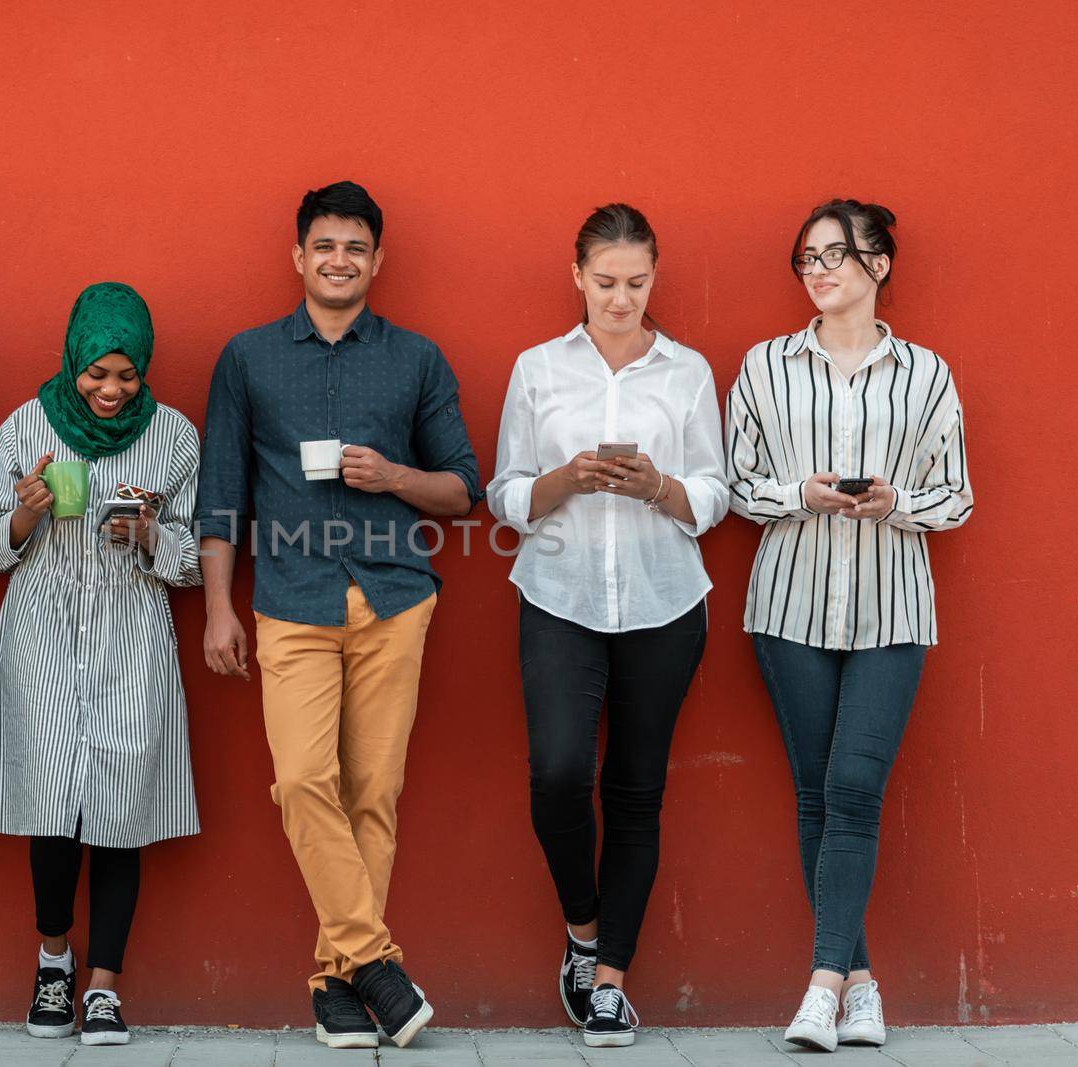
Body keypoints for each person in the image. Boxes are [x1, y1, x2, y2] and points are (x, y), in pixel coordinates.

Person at [195, 181, 481, 1049]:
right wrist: (217, 608)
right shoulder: (246, 358)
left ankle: (336, 984)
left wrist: (392, 476)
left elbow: (464, 489)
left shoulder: (417, 359)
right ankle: (377, 962)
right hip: (290, 598)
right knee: (304, 779)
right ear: (299, 256)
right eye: (325, 245)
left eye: (356, 247)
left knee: (375, 793)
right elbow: (220, 497)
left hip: (396, 595)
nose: (339, 260)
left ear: (376, 261)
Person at [725, 199, 973, 1052]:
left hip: (893, 607)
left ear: (880, 265)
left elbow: (958, 496)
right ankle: (861, 984)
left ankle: (821, 985)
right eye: (806, 258)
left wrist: (896, 501)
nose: (818, 270)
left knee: (855, 787)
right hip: (790, 604)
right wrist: (803, 494)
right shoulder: (764, 366)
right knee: (817, 791)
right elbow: (736, 483)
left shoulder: (928, 374)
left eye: (836, 254)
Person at [486, 203, 728, 1047]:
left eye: (636, 282)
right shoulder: (538, 369)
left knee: (635, 788)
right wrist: (567, 480)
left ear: (654, 277)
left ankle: (611, 981)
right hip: (560, 594)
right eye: (605, 282)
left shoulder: (688, 372)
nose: (620, 298)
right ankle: (582, 931)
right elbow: (505, 495)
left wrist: (657, 485)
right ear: (577, 277)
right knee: (557, 774)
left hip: (665, 601)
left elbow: (713, 495)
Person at [0, 281, 201, 1047]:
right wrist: (29, 509)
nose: (109, 389)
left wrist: (148, 535)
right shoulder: (25, 425)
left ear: (144, 369)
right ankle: (54, 960)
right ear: (73, 360)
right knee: (52, 794)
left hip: (131, 626)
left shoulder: (172, 436)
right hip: (41, 622)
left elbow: (195, 558)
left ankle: (104, 987)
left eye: (125, 375)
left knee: (121, 805)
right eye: (96, 373)